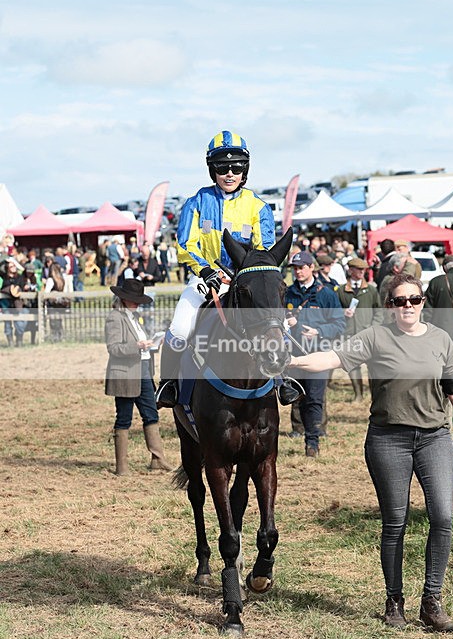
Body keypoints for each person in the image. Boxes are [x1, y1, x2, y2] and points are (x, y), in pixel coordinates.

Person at [289, 273, 453, 632]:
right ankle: (394, 600)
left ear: (423, 302)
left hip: (435, 438)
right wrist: (288, 363)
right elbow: (330, 359)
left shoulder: (441, 340)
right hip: (388, 440)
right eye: (400, 301)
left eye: (414, 299)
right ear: (389, 305)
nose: (407, 306)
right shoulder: (375, 337)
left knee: (442, 517)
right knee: (394, 523)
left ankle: (432, 600)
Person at [157, 129, 301, 407]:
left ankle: (283, 380)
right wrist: (205, 270)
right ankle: (168, 385)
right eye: (222, 167)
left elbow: (265, 251)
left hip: (245, 284)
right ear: (213, 170)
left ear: (245, 169)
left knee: (278, 326)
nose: (230, 173)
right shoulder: (196, 203)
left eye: (236, 166)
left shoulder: (258, 206)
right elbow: (185, 244)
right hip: (205, 281)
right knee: (177, 331)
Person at [105, 278, 174, 476]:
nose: (136, 303)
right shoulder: (115, 318)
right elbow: (114, 348)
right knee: (124, 417)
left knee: (151, 413)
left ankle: (158, 459)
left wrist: (151, 345)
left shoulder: (133, 317)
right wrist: (137, 346)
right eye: (133, 299)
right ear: (123, 298)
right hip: (126, 374)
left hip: (143, 371)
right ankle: (122, 466)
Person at [285, 250, 345, 457]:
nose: (298, 272)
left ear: (312, 268)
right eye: (294, 268)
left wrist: (318, 331)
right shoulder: (287, 293)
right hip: (293, 355)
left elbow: (339, 324)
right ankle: (301, 433)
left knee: (315, 399)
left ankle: (312, 443)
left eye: (301, 267)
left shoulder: (326, 294)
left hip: (318, 355)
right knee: (297, 398)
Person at [336, 257, 382, 399]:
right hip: (349, 334)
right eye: (359, 269)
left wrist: (374, 327)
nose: (362, 272)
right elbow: (334, 311)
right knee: (352, 365)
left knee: (373, 365)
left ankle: (375, 394)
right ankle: (358, 395)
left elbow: (379, 311)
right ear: (350, 270)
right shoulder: (341, 290)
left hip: (368, 333)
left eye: (364, 269)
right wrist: (343, 313)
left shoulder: (371, 290)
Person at [0, 258, 27, 346]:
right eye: (11, 266)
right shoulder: (4, 277)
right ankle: (10, 342)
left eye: (14, 266)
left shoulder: (20, 277)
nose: (13, 268)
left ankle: (19, 341)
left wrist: (15, 261)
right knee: (8, 324)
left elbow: (23, 270)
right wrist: (6, 260)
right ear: (7, 268)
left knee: (19, 323)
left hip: (17, 304)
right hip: (6, 304)